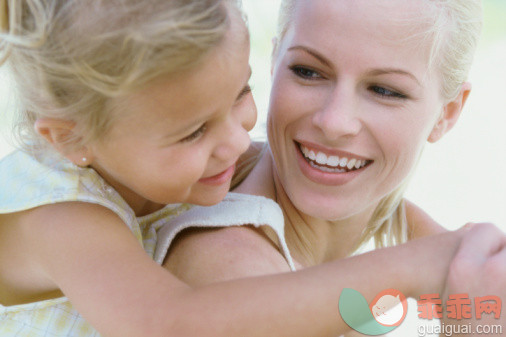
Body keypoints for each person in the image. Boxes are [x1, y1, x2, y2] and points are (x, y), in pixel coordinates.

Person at [0, 1, 501, 337]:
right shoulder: (62, 218)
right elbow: (171, 323)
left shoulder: (180, 161)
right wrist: (410, 270)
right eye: (193, 131)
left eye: (241, 95)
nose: (240, 141)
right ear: (70, 138)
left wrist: (462, 268)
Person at [160, 0, 506, 334]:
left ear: (447, 113)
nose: (334, 121)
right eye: (308, 71)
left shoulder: (409, 237)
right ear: (273, 60)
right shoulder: (228, 268)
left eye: (384, 90)